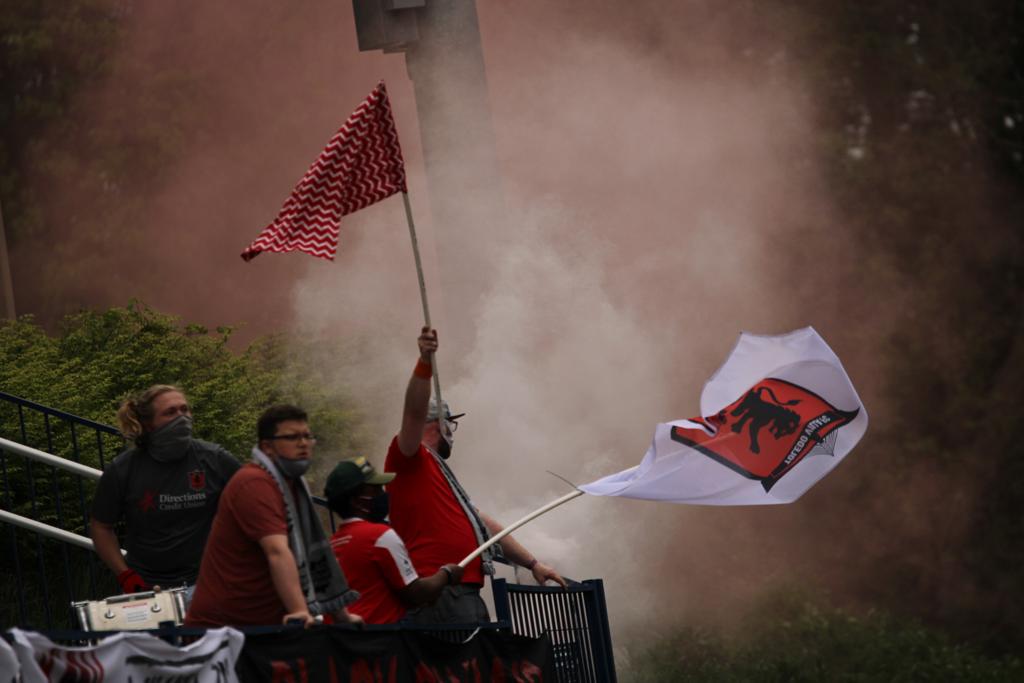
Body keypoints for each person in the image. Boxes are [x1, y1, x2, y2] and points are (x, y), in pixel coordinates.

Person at [385, 328, 567, 624]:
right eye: (451, 426)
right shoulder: (409, 457)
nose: (453, 434)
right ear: (441, 425)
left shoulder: (440, 475)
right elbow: (414, 413)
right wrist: (424, 363)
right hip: (438, 594)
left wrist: (533, 563)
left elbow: (484, 524)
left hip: (460, 593)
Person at [185, 404, 360, 627]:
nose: (303, 443)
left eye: (307, 436)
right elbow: (277, 551)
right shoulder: (254, 483)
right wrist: (299, 611)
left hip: (264, 625)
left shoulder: (294, 485)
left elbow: (314, 553)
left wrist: (341, 616)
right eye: (292, 437)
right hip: (225, 629)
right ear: (267, 446)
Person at [90, 385, 240, 596]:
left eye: (184, 409)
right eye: (170, 412)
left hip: (210, 582)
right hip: (149, 588)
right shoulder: (123, 469)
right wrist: (125, 576)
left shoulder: (215, 459)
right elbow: (101, 527)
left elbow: (253, 501)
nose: (182, 418)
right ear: (148, 424)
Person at [323, 456, 465, 624]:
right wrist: (447, 574)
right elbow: (416, 592)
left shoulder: (331, 545)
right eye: (375, 490)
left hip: (340, 636)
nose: (383, 494)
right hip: (377, 635)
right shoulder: (379, 536)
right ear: (356, 501)